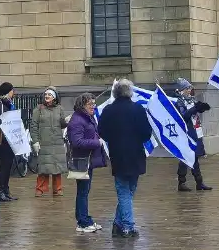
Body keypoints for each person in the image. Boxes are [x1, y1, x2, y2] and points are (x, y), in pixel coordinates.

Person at [98, 79, 153, 238]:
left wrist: (113, 139)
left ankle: (118, 223)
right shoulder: (138, 109)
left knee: (125, 191)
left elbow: (101, 131)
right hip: (135, 153)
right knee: (127, 190)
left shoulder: (109, 110)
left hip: (117, 153)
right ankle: (128, 225)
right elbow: (146, 133)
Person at [66, 93, 106, 233]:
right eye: (90, 104)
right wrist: (96, 142)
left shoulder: (87, 117)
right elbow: (77, 142)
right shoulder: (77, 120)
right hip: (81, 160)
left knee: (84, 191)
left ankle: (84, 219)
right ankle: (82, 222)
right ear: (82, 105)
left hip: (87, 159)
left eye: (94, 104)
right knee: (83, 191)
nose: (93, 107)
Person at [172, 78, 212, 192]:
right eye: (186, 88)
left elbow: (195, 111)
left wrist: (202, 108)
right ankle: (182, 182)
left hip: (195, 131)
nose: (189, 90)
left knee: (195, 157)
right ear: (181, 90)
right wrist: (195, 109)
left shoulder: (191, 100)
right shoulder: (179, 102)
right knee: (185, 157)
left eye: (190, 88)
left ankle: (199, 183)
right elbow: (183, 117)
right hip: (186, 133)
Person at [30, 87, 67, 197]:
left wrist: (66, 121)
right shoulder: (39, 109)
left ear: (54, 97)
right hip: (44, 142)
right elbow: (34, 126)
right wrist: (35, 141)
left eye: (49, 95)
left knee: (57, 166)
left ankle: (58, 189)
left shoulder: (60, 109)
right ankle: (40, 189)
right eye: (45, 94)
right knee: (43, 167)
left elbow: (62, 124)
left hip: (57, 142)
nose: (47, 96)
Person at [0, 82, 19, 202]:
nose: (14, 93)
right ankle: (0, 191)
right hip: (2, 140)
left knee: (8, 165)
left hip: (10, 139)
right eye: (12, 90)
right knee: (4, 165)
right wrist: (2, 122)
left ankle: (6, 190)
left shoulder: (9, 104)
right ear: (8, 91)